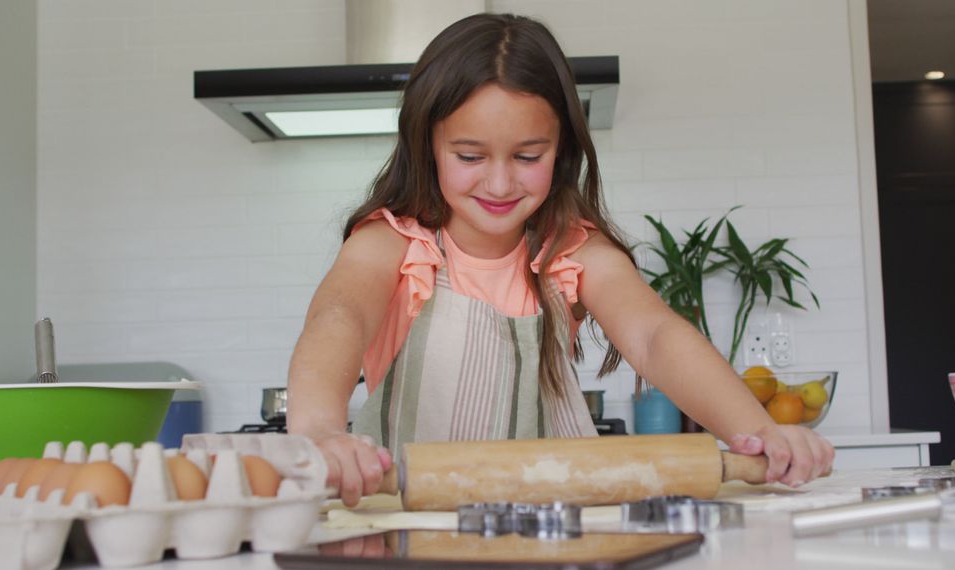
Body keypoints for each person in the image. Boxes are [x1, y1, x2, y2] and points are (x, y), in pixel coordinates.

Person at [287, 13, 834, 507]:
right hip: (412, 530)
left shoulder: (572, 252)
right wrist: (318, 433)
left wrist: (760, 432)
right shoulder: (394, 244)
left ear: (562, 148)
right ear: (427, 146)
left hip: (553, 529)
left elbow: (654, 336)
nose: (499, 182)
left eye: (528, 156)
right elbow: (339, 318)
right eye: (470, 155)